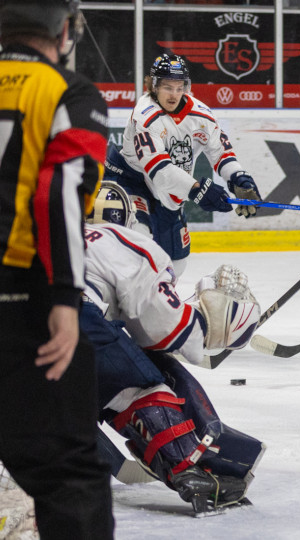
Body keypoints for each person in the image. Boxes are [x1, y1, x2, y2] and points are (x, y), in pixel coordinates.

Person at [0, 1, 115, 538]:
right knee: (70, 475)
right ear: (64, 29)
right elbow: (58, 192)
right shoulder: (67, 91)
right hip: (22, 302)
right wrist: (66, 300)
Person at [83, 182, 265, 514]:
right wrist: (210, 327)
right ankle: (189, 469)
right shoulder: (126, 241)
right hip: (64, 317)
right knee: (139, 384)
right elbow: (163, 329)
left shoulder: (41, 230)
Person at [103, 53, 262, 276]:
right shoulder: (145, 115)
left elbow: (221, 153)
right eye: (168, 87)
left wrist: (239, 178)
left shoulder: (202, 115)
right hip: (130, 182)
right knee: (138, 240)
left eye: (180, 87)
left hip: (170, 192)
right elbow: (159, 171)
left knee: (175, 263)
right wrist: (198, 190)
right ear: (154, 86)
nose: (174, 94)